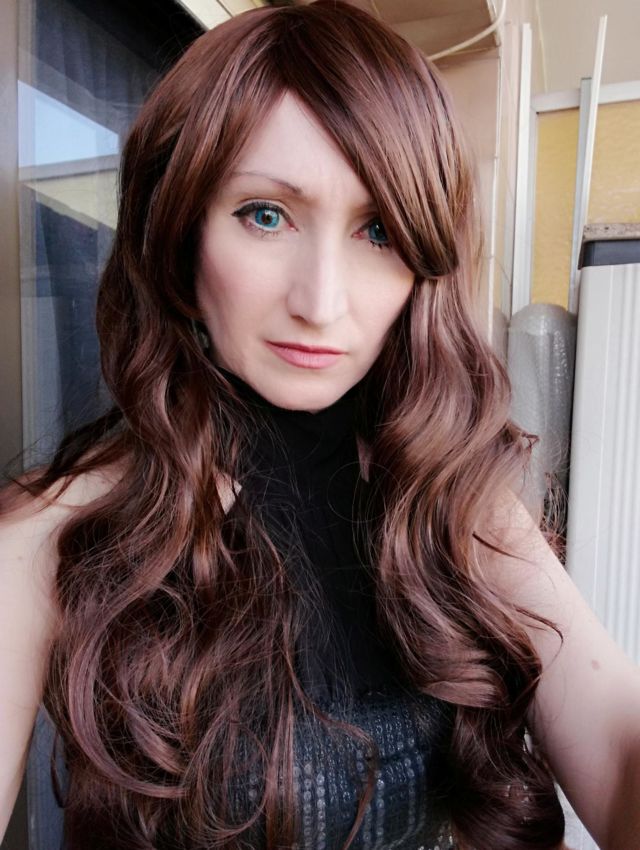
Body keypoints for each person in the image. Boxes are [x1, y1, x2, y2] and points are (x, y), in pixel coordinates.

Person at [1, 2, 639, 849]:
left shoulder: (454, 503)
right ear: (181, 236)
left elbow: (619, 748)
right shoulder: (50, 536)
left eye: (378, 230)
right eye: (265, 214)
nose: (322, 302)